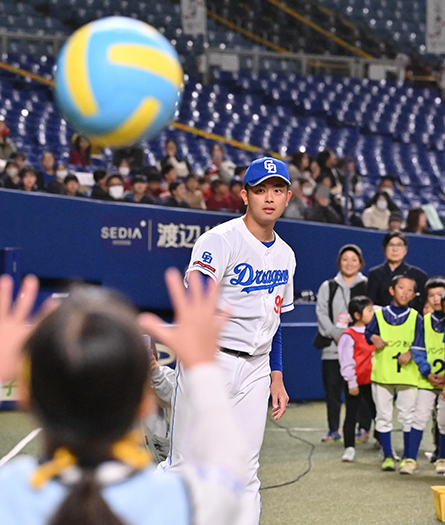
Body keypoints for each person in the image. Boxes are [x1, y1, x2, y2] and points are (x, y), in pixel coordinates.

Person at [0, 270, 254, 524]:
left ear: (25, 396)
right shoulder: (182, 499)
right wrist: (202, 366)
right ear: (145, 404)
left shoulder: (8, 494)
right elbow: (230, 467)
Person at [162, 157, 296, 523]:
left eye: (277, 190)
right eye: (260, 190)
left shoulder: (286, 254)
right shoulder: (220, 239)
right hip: (212, 358)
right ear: (244, 196)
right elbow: (199, 288)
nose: (269, 197)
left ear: (288, 197)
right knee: (186, 464)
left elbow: (277, 318)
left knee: (244, 468)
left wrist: (276, 374)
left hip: (256, 367)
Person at [365, 275, 427, 471]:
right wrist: (373, 337)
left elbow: (422, 343)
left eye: (410, 290)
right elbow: (367, 334)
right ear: (392, 290)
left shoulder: (416, 317)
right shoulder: (380, 314)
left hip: (407, 376)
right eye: (401, 287)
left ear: (413, 295)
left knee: (407, 415)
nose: (405, 292)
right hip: (382, 374)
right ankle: (388, 455)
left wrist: (411, 352)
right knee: (383, 416)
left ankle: (409, 457)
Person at [315, 244, 368, 442]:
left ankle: (363, 429)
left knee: (359, 392)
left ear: (360, 263)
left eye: (354, 259)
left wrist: (353, 337)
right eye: (345, 259)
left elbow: (369, 314)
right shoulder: (328, 286)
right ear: (339, 262)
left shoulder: (366, 285)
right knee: (333, 391)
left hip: (359, 351)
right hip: (331, 348)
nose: (349, 263)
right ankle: (333, 429)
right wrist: (337, 334)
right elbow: (321, 312)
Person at [402, 277, 445, 475]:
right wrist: (428, 372)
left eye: (441, 295)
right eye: (432, 295)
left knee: (443, 420)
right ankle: (410, 459)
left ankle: (442, 459)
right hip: (427, 380)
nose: (437, 299)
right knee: (418, 417)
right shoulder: (424, 321)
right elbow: (418, 350)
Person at [338, 296, 376, 462]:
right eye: (369, 310)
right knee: (351, 416)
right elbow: (346, 361)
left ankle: (383, 444)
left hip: (373, 382)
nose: (373, 313)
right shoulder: (348, 335)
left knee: (378, 414)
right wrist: (352, 382)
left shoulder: (374, 333)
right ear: (357, 315)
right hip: (355, 384)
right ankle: (349, 448)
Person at [367, 231, 428, 312]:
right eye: (391, 245)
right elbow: (370, 304)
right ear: (384, 249)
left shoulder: (418, 276)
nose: (395, 249)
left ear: (405, 250)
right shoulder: (375, 274)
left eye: (399, 245)